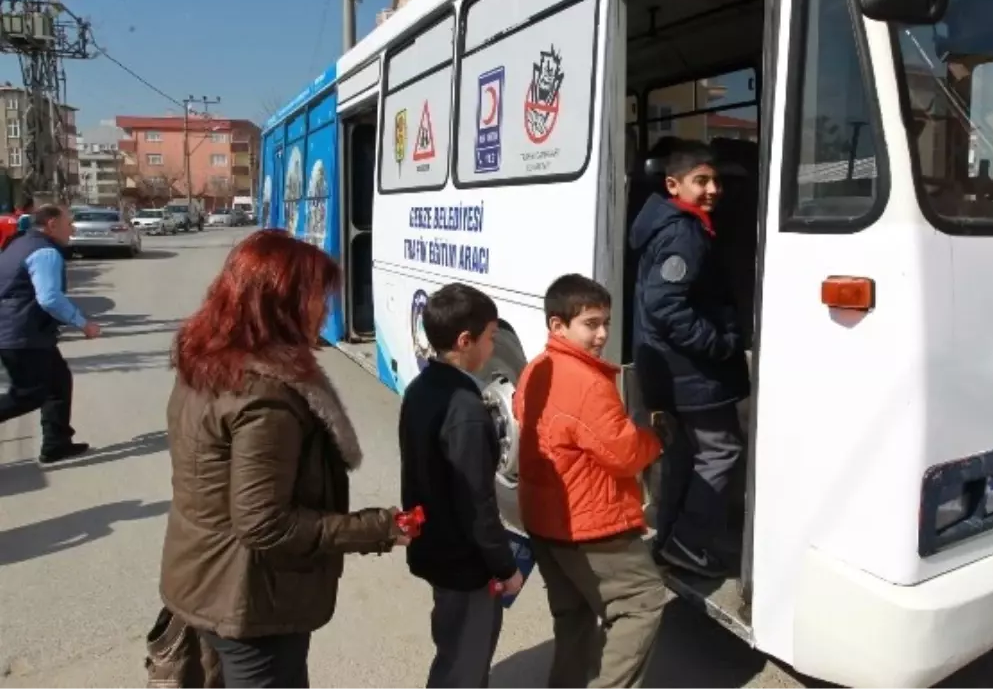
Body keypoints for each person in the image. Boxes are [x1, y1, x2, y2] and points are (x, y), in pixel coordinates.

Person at [157, 229, 408, 688]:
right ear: (279, 303)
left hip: (201, 576)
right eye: (318, 299)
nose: (327, 311)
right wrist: (383, 527)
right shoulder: (266, 398)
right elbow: (265, 524)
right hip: (249, 599)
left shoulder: (208, 362)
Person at [515, 273, 668, 689]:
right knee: (642, 603)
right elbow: (624, 455)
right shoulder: (586, 383)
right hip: (591, 522)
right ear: (557, 326)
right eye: (591, 324)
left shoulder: (536, 367)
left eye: (606, 323)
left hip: (543, 516)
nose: (602, 335)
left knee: (575, 613)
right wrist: (657, 438)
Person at [628, 138, 750, 578]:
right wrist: (717, 343)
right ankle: (688, 541)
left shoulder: (677, 223)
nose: (712, 189)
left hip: (671, 369)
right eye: (701, 181)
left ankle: (669, 535)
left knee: (683, 453)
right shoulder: (684, 232)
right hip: (691, 372)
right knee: (720, 451)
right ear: (673, 184)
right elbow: (666, 306)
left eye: (715, 180)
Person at [399, 282, 522, 689]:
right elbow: (477, 503)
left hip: (436, 548)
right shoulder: (465, 408)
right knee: (464, 669)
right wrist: (506, 567)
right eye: (490, 337)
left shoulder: (420, 389)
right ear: (465, 340)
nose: (493, 346)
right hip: (465, 565)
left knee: (452, 651)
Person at [0, 204, 99, 463]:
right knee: (28, 395)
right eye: (69, 223)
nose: (73, 228)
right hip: (22, 333)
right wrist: (83, 323)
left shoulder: (19, 244)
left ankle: (56, 443)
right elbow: (50, 298)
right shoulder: (45, 252)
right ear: (52, 224)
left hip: (21, 330)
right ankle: (56, 442)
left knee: (58, 382)